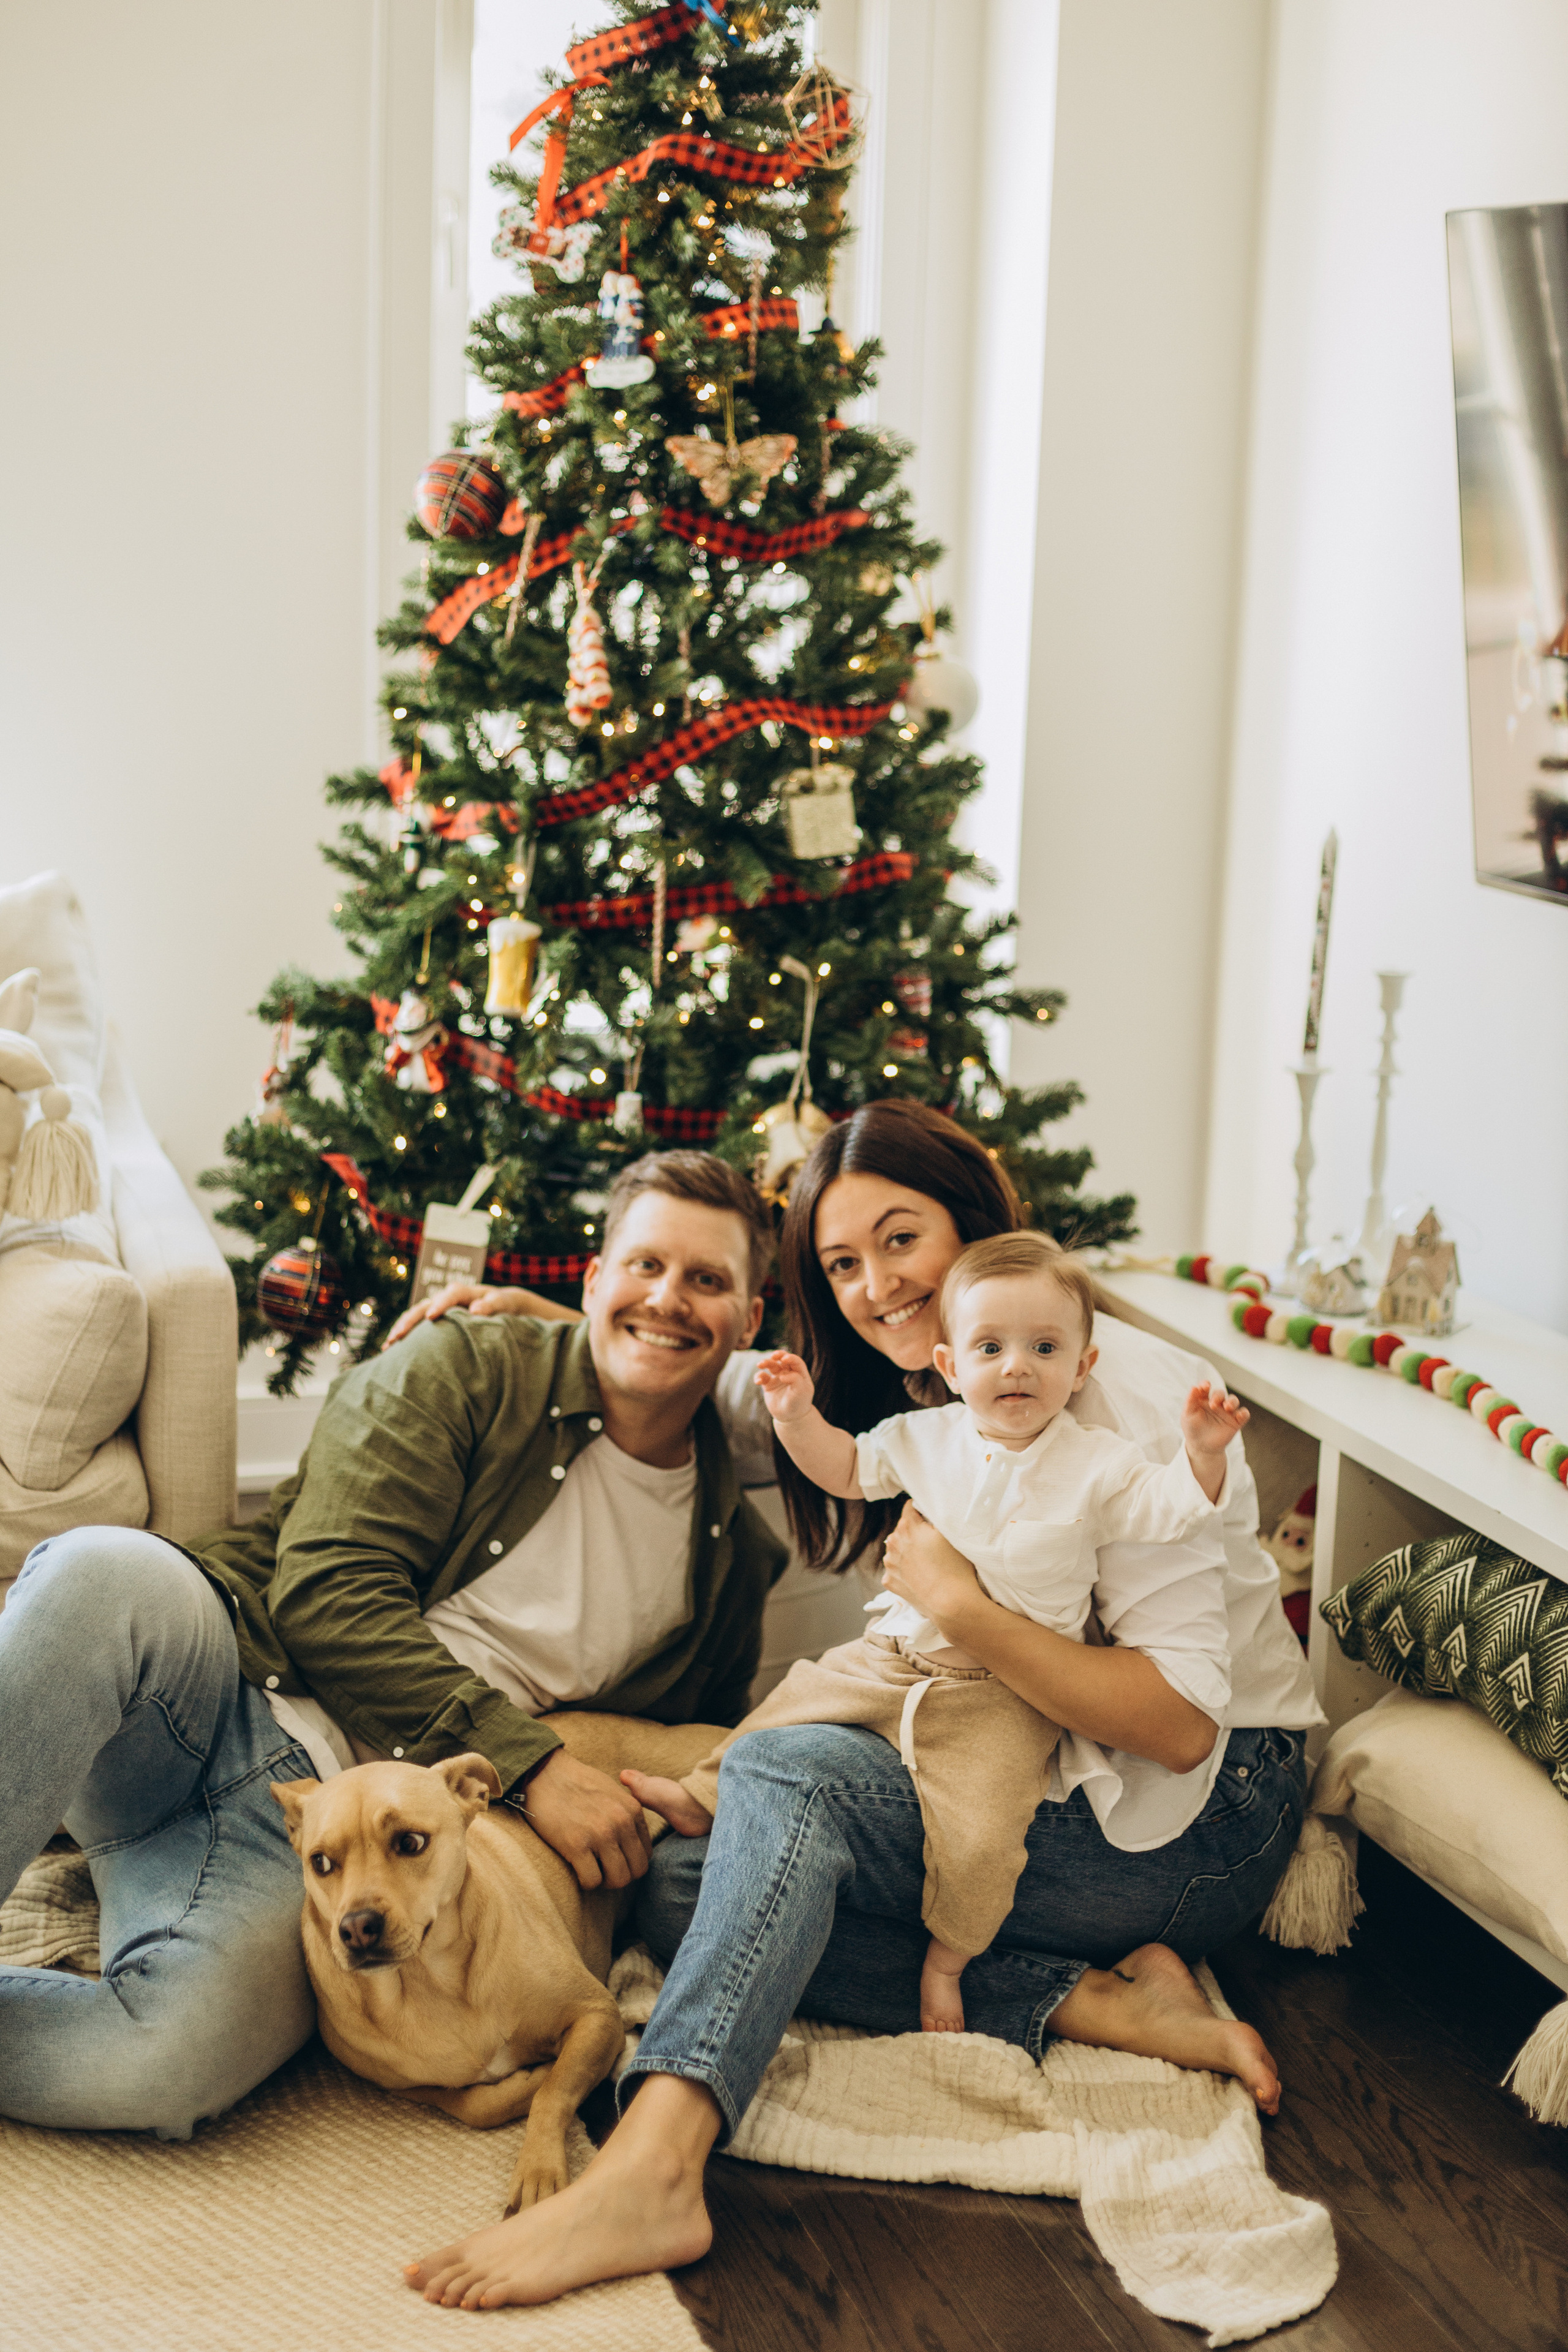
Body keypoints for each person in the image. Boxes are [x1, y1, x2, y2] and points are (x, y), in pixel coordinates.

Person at [391, 1099, 1324, 2313]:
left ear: (973, 1227)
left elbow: (1177, 1727)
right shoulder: (940, 1398)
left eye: (901, 1240)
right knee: (681, 1882)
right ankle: (1078, 1996)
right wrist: (573, 1330)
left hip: (1199, 1813)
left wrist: (970, 1611)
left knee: (785, 1784)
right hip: (1036, 1765)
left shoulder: (1113, 1400)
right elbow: (761, 1394)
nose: (876, 1287)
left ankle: (656, 2164)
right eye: (840, 1263)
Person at [0, 1151, 783, 2138]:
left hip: (317, 1861)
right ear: (592, 1280)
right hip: (224, 1680)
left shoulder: (731, 1565)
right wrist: (525, 1764)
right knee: (94, 1575)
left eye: (707, 1280)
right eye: (645, 1267)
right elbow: (327, 1590)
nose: (668, 1299)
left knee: (165, 2064)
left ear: (750, 1321)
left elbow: (662, 1750)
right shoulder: (464, 1366)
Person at [631, 1231, 1251, 2035]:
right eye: (991, 1348)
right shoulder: (928, 1437)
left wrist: (1202, 1455)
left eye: (1044, 1348)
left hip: (1002, 1699)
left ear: (1081, 1367)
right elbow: (849, 1469)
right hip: (893, 1656)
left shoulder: (1099, 1463)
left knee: (985, 1835)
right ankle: (697, 1795)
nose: (1018, 1366)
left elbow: (1171, 1510)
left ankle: (951, 1961)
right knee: (791, 1702)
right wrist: (794, 1416)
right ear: (953, 1366)